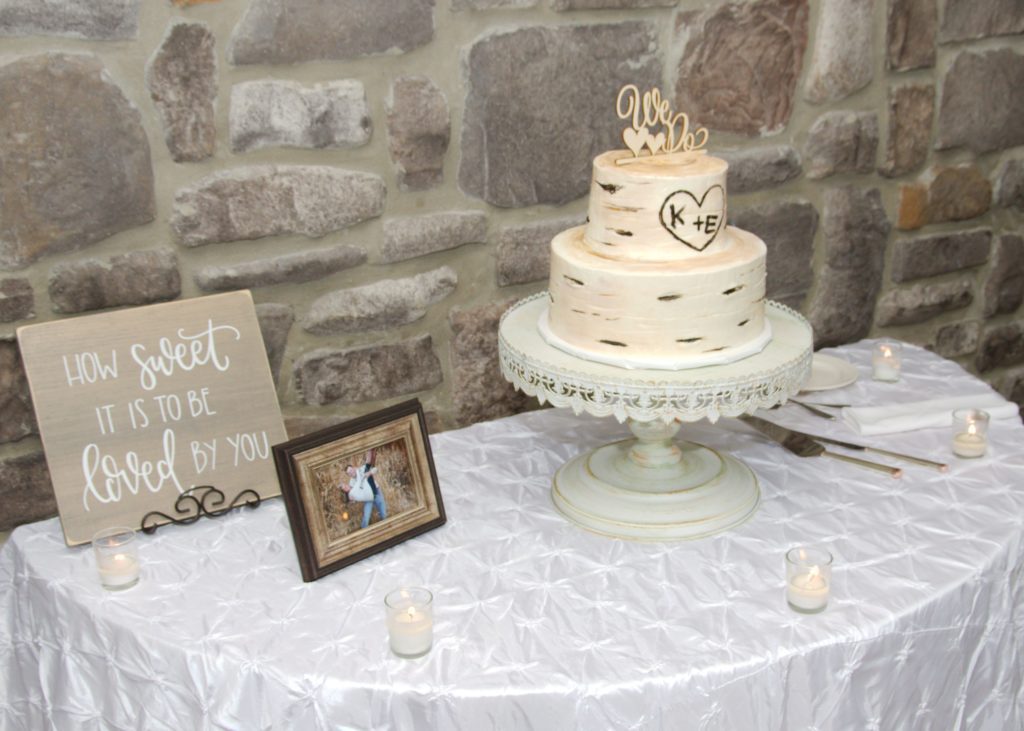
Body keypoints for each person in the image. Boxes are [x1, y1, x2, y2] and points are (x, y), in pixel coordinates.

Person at [344, 448, 387, 529]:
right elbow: (353, 494)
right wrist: (352, 499)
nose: (351, 473)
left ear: (354, 468)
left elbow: (375, 469)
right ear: (348, 475)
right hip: (368, 498)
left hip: (377, 492)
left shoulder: (362, 469)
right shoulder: (351, 482)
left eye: (351, 471)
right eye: (349, 473)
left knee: (384, 515)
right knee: (365, 519)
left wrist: (369, 473)